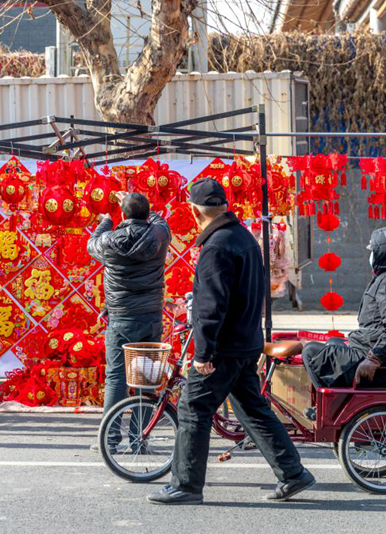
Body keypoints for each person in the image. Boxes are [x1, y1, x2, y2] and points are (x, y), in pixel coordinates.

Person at [147, 178, 314, 506]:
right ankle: (293, 473)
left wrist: (204, 352)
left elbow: (211, 305)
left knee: (193, 408)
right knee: (252, 409)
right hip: (245, 342)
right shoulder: (243, 238)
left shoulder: (217, 246)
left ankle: (186, 485)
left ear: (196, 212)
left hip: (224, 348)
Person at [87, 192, 171, 449]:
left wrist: (105, 220)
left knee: (116, 377)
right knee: (147, 378)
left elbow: (92, 243)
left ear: (123, 215)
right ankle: (139, 438)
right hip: (150, 317)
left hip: (121, 317)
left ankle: (110, 440)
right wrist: (143, 210)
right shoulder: (158, 235)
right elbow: (161, 222)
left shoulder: (110, 241)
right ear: (147, 215)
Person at [302, 226, 386, 390]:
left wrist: (374, 359)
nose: (371, 255)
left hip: (382, 366)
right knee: (333, 342)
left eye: (374, 251)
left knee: (310, 351)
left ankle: (329, 406)